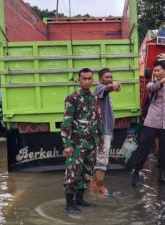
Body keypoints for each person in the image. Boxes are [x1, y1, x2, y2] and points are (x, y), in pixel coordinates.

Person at [60, 68, 103, 214]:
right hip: (77, 144)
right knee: (73, 173)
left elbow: (97, 120)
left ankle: (79, 199)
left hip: (91, 143)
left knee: (87, 173)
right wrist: (67, 144)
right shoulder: (72, 98)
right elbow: (67, 122)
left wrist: (100, 141)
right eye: (84, 78)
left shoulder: (94, 98)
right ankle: (69, 203)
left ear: (92, 80)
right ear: (79, 80)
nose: (87, 81)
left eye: (89, 78)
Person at [132, 61, 165, 187]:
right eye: (155, 71)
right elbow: (152, 88)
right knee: (144, 148)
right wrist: (161, 82)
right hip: (151, 122)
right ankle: (136, 174)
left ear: (164, 70)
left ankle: (162, 176)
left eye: (158, 70)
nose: (156, 73)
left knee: (163, 151)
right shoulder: (152, 84)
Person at [89, 68, 121, 196]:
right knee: (102, 161)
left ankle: (93, 186)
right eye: (106, 77)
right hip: (101, 133)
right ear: (100, 79)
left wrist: (110, 131)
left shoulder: (105, 93)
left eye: (111, 77)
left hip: (106, 131)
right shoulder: (99, 88)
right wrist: (113, 86)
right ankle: (100, 188)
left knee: (101, 160)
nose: (109, 79)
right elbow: (107, 89)